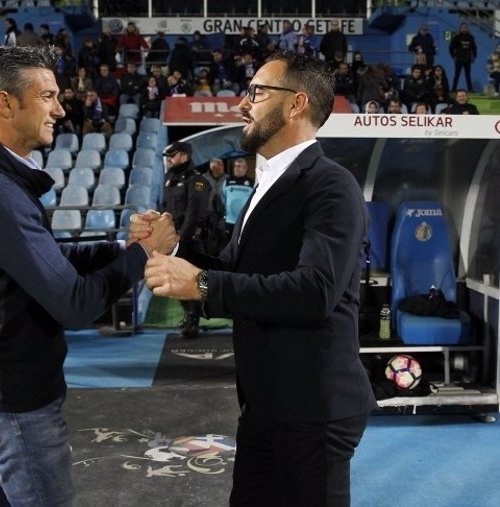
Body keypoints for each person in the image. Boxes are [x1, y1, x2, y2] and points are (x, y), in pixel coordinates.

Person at [0, 46, 177, 506]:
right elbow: (76, 304)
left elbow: (46, 259)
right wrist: (145, 253)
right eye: (47, 96)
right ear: (6, 103)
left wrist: (122, 249)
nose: (61, 109)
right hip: (13, 401)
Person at [143, 51, 377, 506]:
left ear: (296, 104)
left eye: (256, 92)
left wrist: (204, 285)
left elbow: (314, 292)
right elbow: (236, 270)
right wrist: (171, 250)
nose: (242, 104)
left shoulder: (331, 184)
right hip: (267, 404)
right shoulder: (265, 183)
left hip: (313, 408)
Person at [160, 141, 213, 339]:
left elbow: (194, 212)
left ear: (184, 156)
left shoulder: (197, 180)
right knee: (177, 278)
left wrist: (183, 236)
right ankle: (191, 314)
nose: (170, 160)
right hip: (175, 239)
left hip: (192, 238)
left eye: (173, 156)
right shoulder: (170, 178)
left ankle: (197, 315)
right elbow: (167, 208)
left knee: (200, 277)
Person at [222, 157, 254, 236]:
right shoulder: (227, 181)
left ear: (245, 168)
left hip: (244, 221)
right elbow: (223, 198)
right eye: (235, 166)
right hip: (230, 221)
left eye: (239, 166)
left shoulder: (251, 182)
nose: (236, 168)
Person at [449, 22, 477, 92]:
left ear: (467, 29)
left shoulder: (471, 37)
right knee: (457, 75)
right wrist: (453, 56)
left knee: (468, 75)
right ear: (460, 29)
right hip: (459, 59)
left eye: (465, 27)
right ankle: (453, 89)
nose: (464, 29)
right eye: (463, 27)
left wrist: (474, 56)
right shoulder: (456, 38)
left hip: (468, 59)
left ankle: (470, 89)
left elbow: (474, 48)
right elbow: (451, 48)